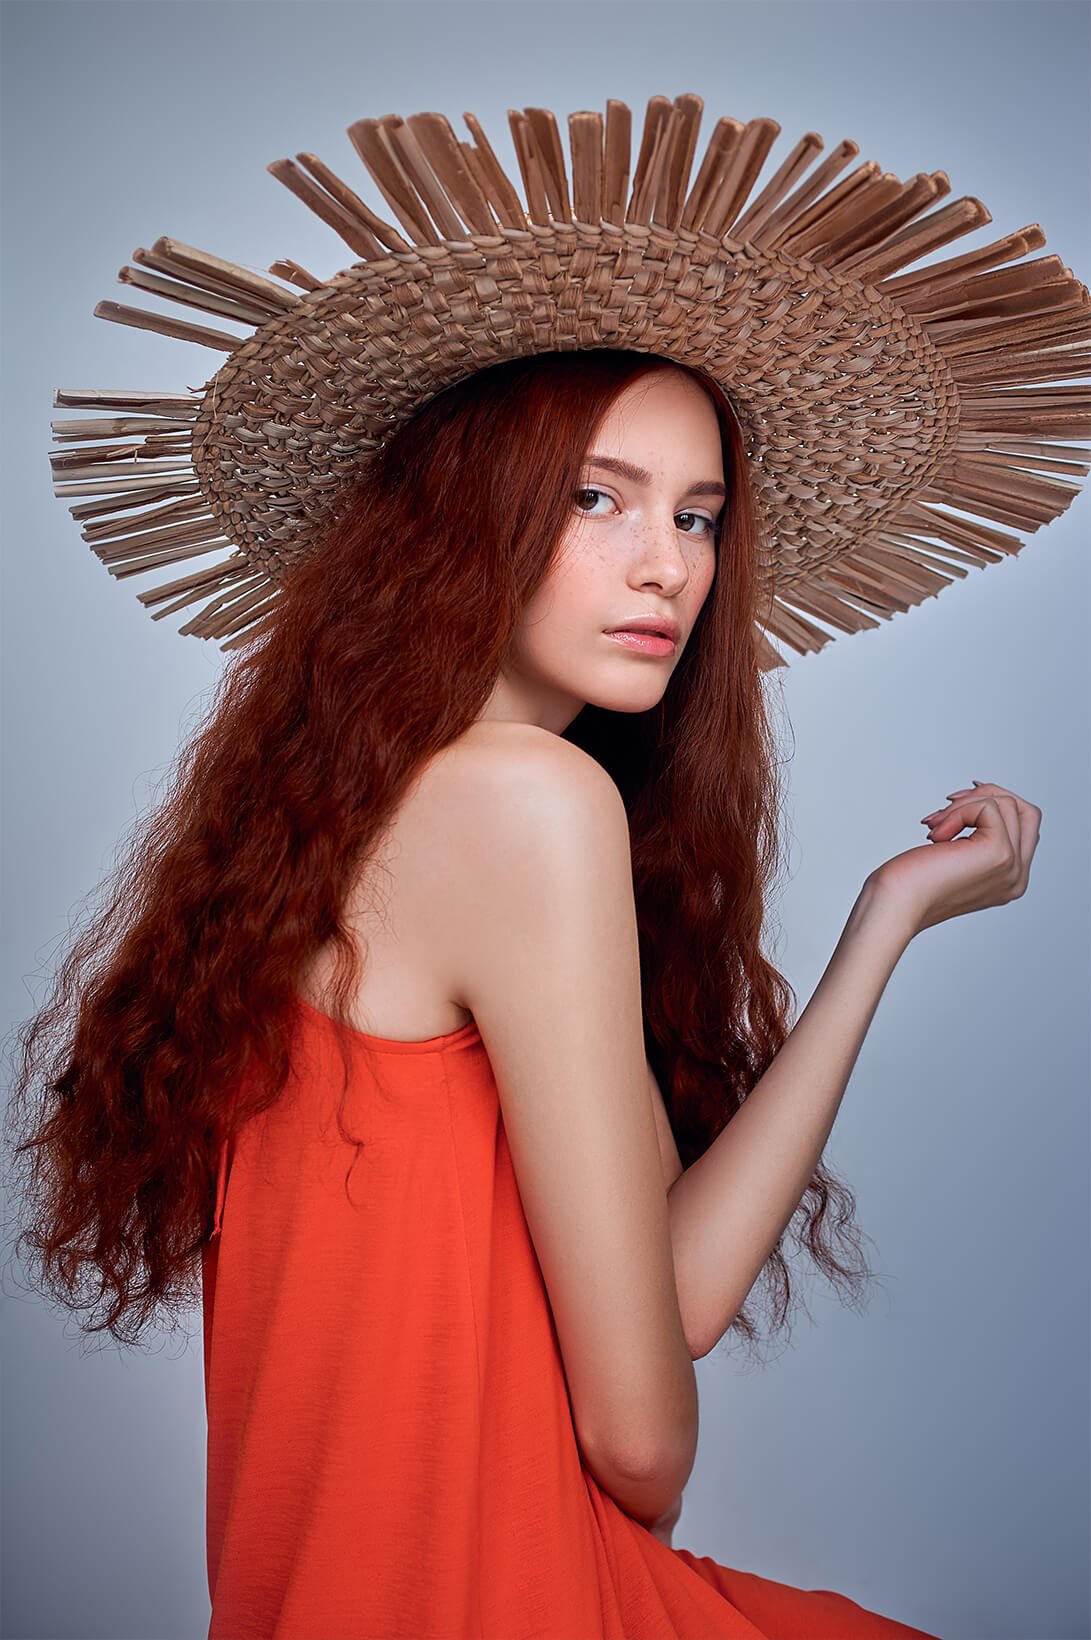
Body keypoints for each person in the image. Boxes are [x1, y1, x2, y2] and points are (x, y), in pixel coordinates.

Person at [7, 92, 1087, 1640]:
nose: (668, 566)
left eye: (699, 516)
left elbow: (676, 1293)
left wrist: (885, 923)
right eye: (597, 498)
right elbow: (642, 1445)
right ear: (467, 520)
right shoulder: (525, 802)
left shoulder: (363, 812)